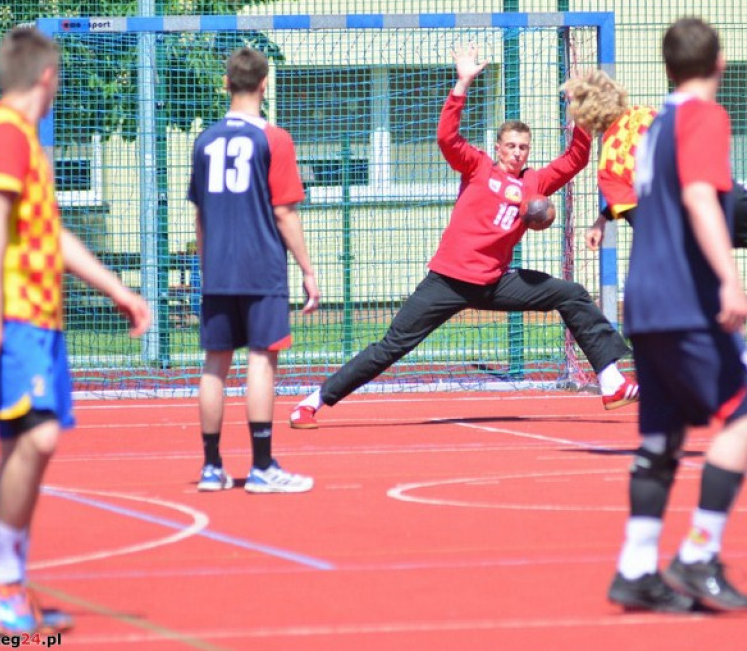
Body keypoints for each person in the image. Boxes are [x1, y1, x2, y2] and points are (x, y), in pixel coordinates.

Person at [289, 44, 639, 429]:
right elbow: (447, 138)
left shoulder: (535, 183)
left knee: (571, 294)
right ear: (498, 147)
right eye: (511, 146)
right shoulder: (477, 167)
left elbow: (576, 159)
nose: (517, 153)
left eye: (524, 148)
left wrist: (580, 115)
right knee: (391, 347)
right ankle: (311, 402)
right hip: (448, 281)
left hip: (494, 282)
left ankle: (610, 381)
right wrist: (462, 84)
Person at [0, 27, 151, 634]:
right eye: (59, 77)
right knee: (37, 438)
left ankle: (10, 579)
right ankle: (5, 582)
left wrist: (117, 289)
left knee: (23, 445)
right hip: (12, 316)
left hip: (36, 318)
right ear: (47, 77)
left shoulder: (23, 143)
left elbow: (50, 237)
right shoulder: (4, 134)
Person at [603, 17, 747, 613]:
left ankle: (635, 568)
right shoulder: (705, 117)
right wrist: (730, 280)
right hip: (684, 298)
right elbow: (700, 196)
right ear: (719, 62)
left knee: (662, 438)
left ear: (667, 67)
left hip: (645, 301)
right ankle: (698, 554)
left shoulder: (652, 129)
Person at [563, 70, 747, 293]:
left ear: (583, 115)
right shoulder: (648, 114)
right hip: (723, 193)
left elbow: (644, 217)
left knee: (711, 296)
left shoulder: (609, 164)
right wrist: (603, 218)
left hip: (693, 221)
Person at [187, 47, 320, 493]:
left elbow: (200, 215)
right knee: (262, 360)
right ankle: (262, 467)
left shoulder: (205, 141)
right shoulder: (274, 139)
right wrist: (307, 269)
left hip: (218, 268)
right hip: (261, 266)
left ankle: (211, 466)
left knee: (215, 365)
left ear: (226, 83)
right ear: (265, 84)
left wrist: (207, 267)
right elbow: (284, 212)